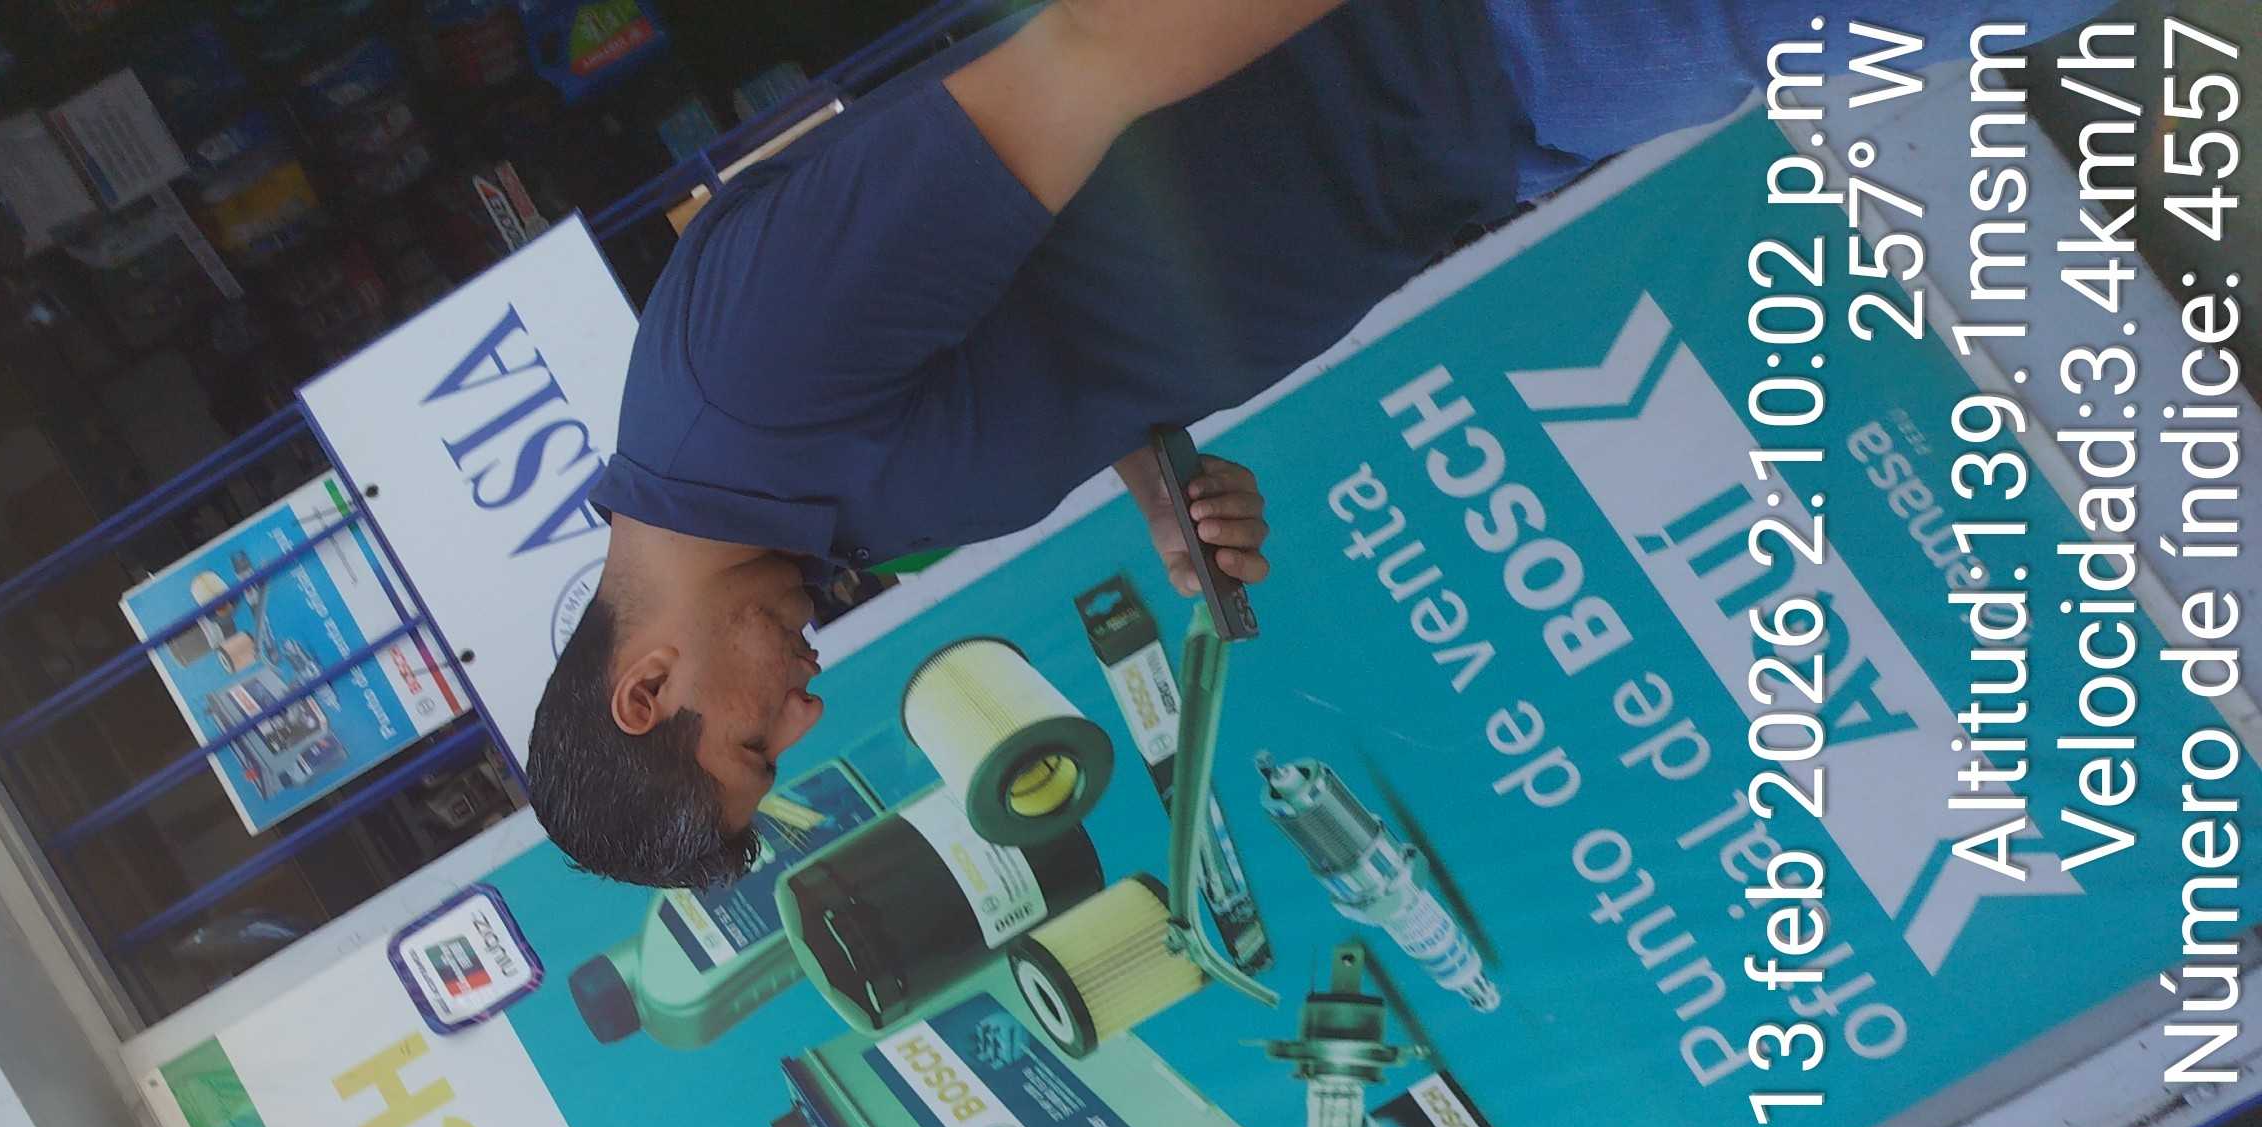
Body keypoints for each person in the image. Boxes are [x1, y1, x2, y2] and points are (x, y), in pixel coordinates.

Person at [527, 0, 2103, 889]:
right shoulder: (789, 520)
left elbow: (1084, 57)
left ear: (645, 689)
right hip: (1467, 136)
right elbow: (1040, 319)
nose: (805, 715)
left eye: (757, 747)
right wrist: (1156, 472)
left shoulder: (748, 380)